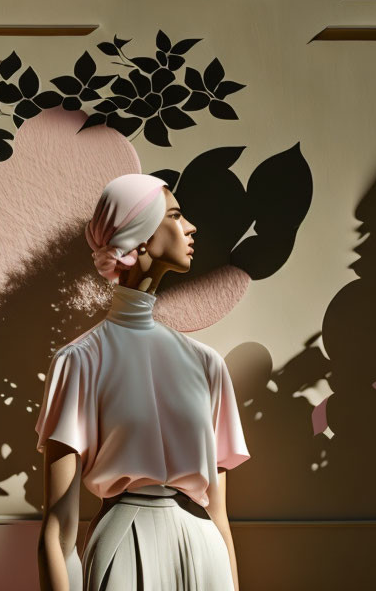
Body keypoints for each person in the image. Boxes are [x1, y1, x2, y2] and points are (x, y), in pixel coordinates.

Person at [35, 173, 251, 590]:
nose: (190, 227)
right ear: (139, 239)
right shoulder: (78, 362)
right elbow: (57, 532)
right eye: (175, 215)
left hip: (204, 550)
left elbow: (220, 515)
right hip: (123, 548)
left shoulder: (208, 364)